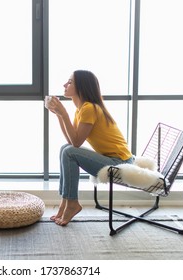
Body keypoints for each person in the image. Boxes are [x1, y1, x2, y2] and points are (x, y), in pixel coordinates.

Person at [45, 70, 133, 226]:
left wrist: (63, 113)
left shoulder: (89, 108)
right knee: (65, 148)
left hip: (121, 163)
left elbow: (76, 144)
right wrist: (59, 114)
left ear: (81, 87)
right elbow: (71, 141)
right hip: (114, 160)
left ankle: (72, 203)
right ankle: (65, 201)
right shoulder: (81, 110)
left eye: (70, 82)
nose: (65, 85)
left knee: (69, 151)